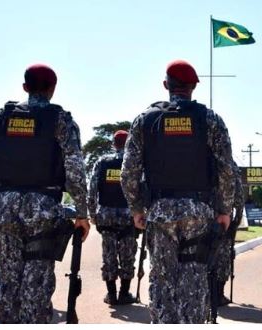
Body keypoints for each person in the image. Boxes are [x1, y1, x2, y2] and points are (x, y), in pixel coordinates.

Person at [0, 64, 90, 323]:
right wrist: (82, 213)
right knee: (36, 287)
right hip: (43, 211)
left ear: (24, 87)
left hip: (3, 209)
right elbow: (75, 168)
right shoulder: (61, 120)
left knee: (6, 285)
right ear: (53, 88)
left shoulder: (0, 117)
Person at [121, 59, 235, 323]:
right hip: (199, 212)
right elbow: (226, 169)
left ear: (166, 86)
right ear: (194, 87)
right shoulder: (210, 120)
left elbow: (129, 173)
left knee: (162, 280)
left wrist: (136, 208)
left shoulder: (145, 120)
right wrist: (224, 210)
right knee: (194, 281)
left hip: (160, 212)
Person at [88, 130, 137, 305]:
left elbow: (92, 189)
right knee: (127, 255)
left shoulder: (102, 162)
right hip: (128, 216)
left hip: (106, 216)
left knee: (108, 255)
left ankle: (111, 295)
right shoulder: (133, 163)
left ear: (114, 144)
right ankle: (124, 293)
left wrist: (92, 214)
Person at [213, 161, 244, 306]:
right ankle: (218, 294)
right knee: (224, 258)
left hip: (203, 217)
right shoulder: (229, 164)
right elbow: (238, 195)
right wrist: (236, 221)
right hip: (224, 220)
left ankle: (207, 294)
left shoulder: (201, 157)